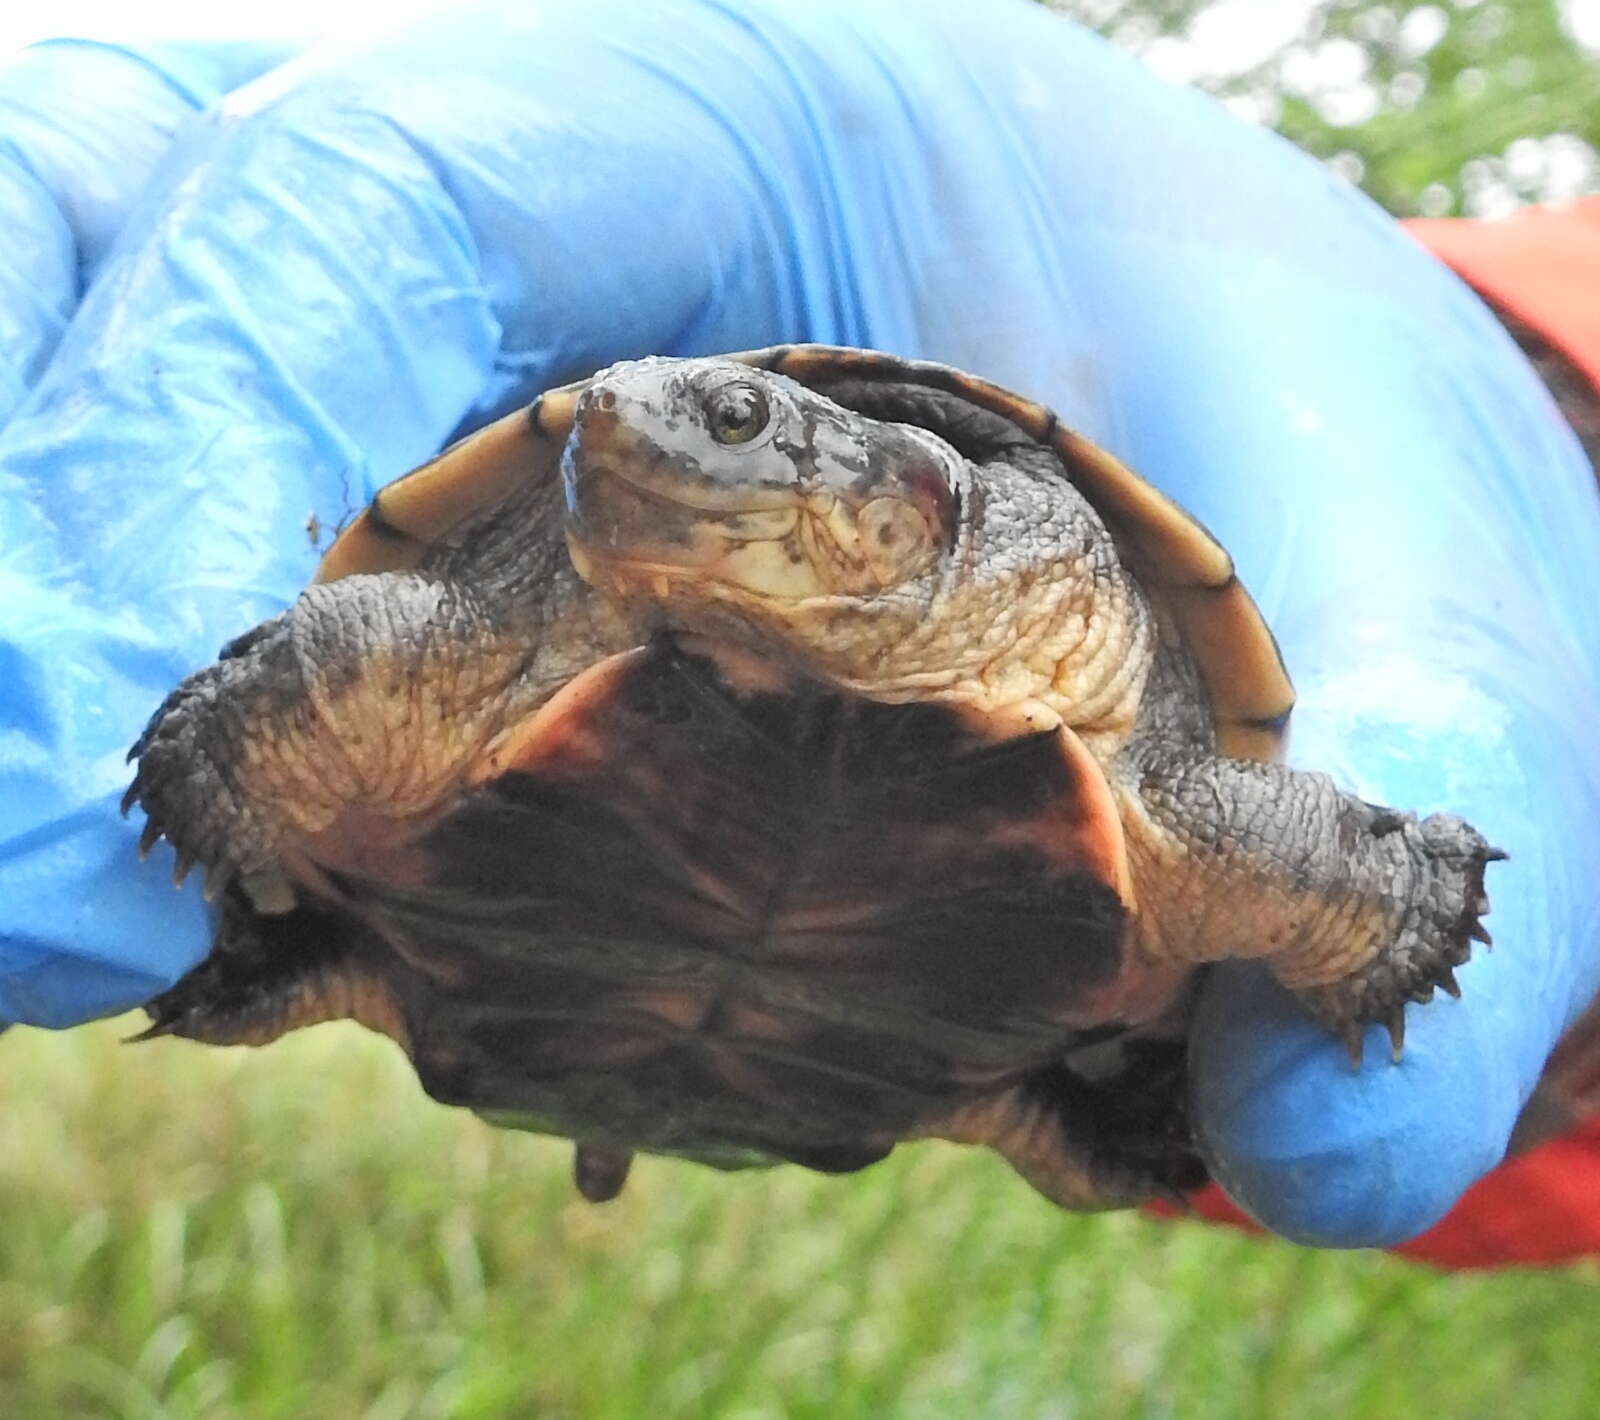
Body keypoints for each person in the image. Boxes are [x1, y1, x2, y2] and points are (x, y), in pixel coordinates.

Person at [2, 0, 1597, 1260]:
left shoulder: (1102, 651)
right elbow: (321, 686)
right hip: (541, 959)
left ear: (909, 497)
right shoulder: (484, 632)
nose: (629, 433)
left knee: (1302, 1017)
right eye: (609, 432)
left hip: (956, 1049)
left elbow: (1319, 909)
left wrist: (1435, 922)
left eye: (722, 422)